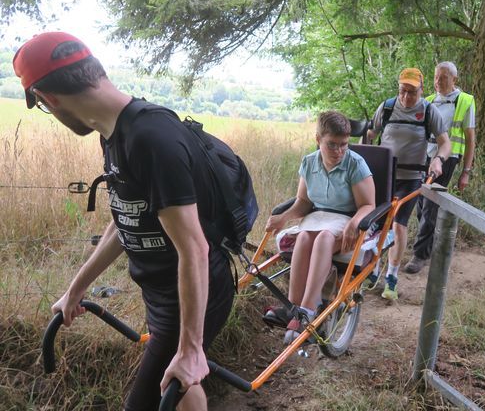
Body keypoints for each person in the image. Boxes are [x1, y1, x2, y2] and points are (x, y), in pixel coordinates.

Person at [13, 32, 235, 410]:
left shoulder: (150, 137)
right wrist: (76, 288)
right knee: (178, 379)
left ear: (48, 99)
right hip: (162, 291)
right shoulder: (115, 132)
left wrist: (192, 347)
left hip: (194, 293)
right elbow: (125, 218)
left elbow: (194, 247)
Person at [264, 111, 375, 343]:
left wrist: (354, 223)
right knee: (304, 237)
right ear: (318, 139)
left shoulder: (355, 164)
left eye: (344, 145)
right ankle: (292, 306)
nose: (339, 151)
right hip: (318, 217)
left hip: (347, 218)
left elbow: (368, 205)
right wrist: (284, 217)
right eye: (331, 145)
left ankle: (309, 309)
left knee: (323, 238)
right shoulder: (308, 162)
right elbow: (303, 203)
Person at [367, 68, 451, 300]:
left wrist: (438, 160)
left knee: (398, 224)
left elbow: (445, 144)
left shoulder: (428, 111)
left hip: (411, 178)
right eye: (403, 91)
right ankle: (372, 268)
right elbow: (370, 133)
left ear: (422, 90)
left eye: (412, 92)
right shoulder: (387, 107)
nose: (406, 97)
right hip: (384, 176)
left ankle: (391, 277)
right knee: (376, 224)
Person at [406, 61, 476, 274]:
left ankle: (420, 255)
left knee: (430, 203)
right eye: (436, 77)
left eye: (443, 77)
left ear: (454, 79)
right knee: (420, 202)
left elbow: (470, 138)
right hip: (422, 156)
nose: (438, 82)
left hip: (447, 157)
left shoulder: (465, 101)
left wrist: (466, 171)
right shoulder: (427, 101)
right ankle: (431, 244)